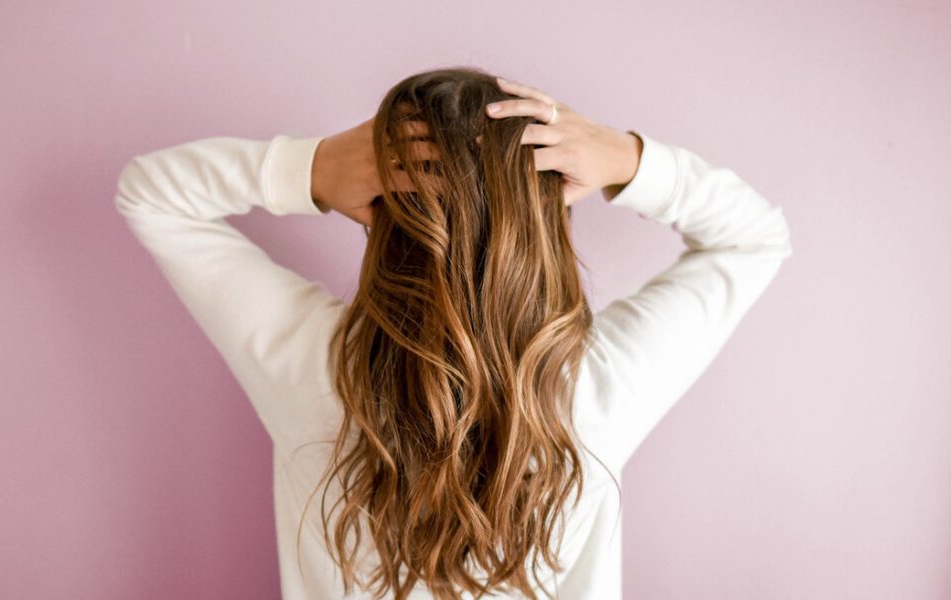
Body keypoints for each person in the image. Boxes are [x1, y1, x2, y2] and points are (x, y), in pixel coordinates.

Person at [113, 66, 793, 600]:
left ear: (378, 213)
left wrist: (312, 167)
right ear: (545, 221)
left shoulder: (315, 368)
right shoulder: (595, 387)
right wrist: (626, 159)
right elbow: (755, 239)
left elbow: (149, 193)